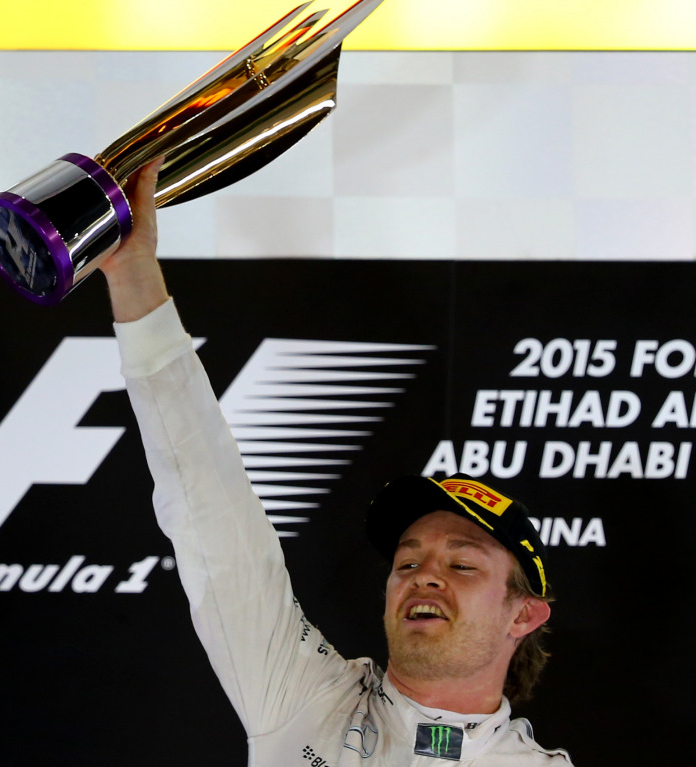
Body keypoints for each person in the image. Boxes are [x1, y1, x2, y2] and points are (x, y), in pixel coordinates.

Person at [100, 158, 573, 765]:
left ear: (524, 614)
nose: (423, 576)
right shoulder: (302, 696)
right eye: (408, 560)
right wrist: (134, 272)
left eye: (462, 564)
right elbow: (211, 519)